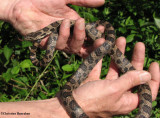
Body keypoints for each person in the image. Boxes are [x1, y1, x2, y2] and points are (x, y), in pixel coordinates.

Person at [0, 0, 159, 118]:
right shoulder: (49, 31)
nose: (27, 39)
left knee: (101, 42)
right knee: (101, 43)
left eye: (30, 39)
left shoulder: (49, 29)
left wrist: (15, 7)